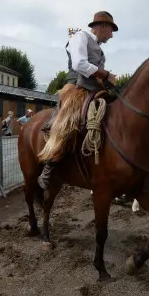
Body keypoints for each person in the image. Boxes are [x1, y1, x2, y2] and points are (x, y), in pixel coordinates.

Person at [37, 11, 118, 190]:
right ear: (102, 26)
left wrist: (108, 83)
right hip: (76, 86)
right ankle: (50, 165)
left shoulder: (98, 48)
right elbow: (79, 64)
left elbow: (94, 72)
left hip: (95, 88)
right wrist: (104, 74)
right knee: (68, 120)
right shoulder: (80, 37)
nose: (112, 35)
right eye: (111, 30)